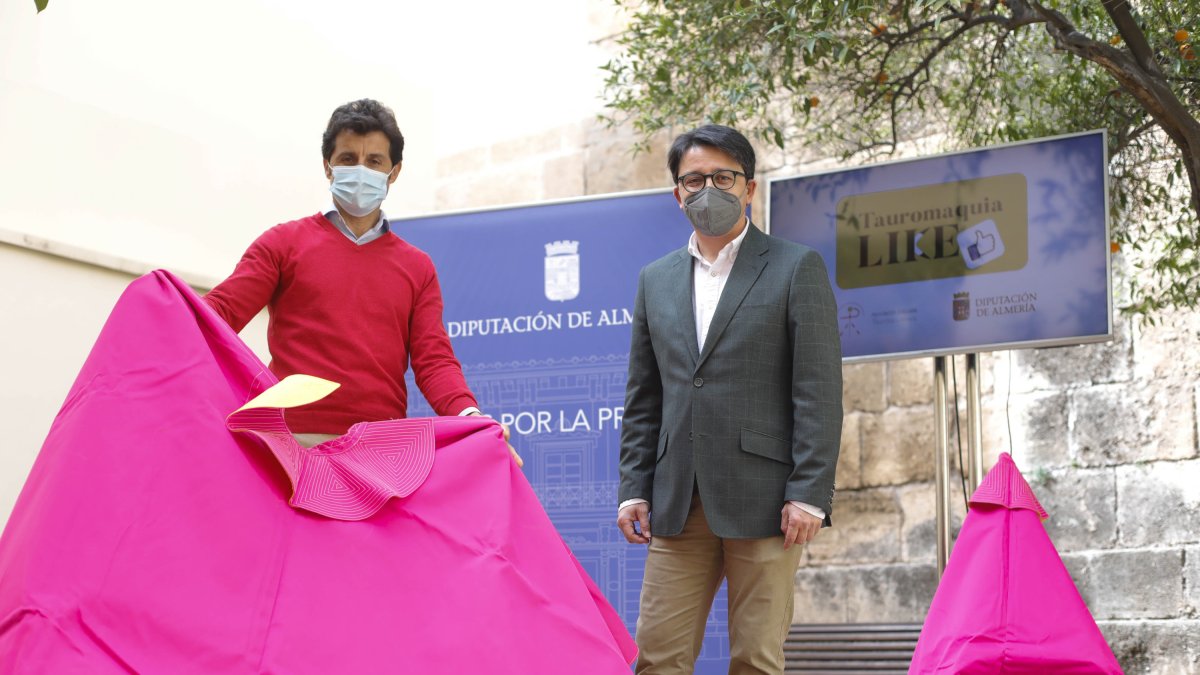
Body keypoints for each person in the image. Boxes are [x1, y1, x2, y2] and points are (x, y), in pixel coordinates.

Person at [617, 124, 842, 674]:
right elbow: (645, 397)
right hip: (677, 501)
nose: (708, 190)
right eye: (694, 180)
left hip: (767, 502)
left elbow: (817, 390)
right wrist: (633, 489)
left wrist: (810, 494)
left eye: (723, 177)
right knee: (658, 658)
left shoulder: (795, 267)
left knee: (756, 659)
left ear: (749, 188)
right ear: (677, 194)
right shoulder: (656, 279)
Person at [205, 99, 512, 455]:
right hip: (289, 447)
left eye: (374, 161)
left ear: (393, 172)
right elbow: (218, 315)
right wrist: (159, 307)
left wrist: (472, 420)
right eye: (348, 159)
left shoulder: (417, 268)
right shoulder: (282, 244)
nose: (361, 169)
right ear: (328, 166)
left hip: (379, 452)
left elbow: (434, 361)